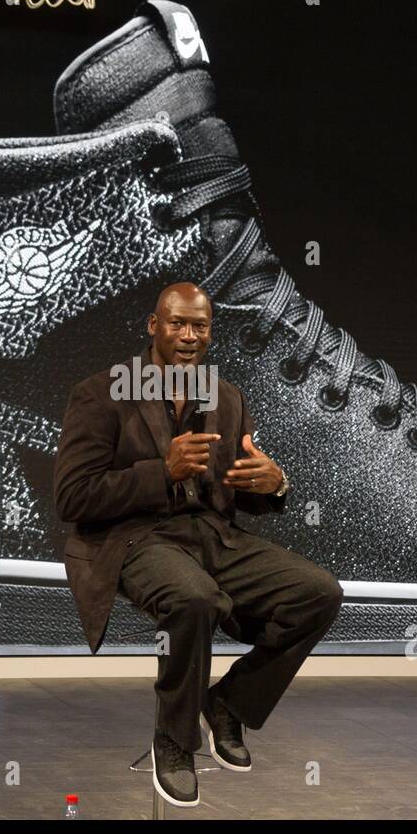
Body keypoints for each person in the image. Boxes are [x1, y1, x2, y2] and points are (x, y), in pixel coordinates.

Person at [53, 282, 343, 807]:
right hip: (132, 537)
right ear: (153, 326)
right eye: (177, 324)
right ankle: (174, 738)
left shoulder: (224, 396)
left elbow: (239, 489)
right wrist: (159, 472)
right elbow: (73, 498)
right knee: (194, 598)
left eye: (200, 326)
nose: (189, 336)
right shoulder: (101, 392)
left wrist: (273, 483)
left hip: (210, 534)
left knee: (319, 591)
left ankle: (229, 705)